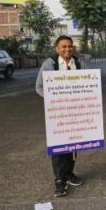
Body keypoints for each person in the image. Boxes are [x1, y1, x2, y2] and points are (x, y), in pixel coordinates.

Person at [35, 35, 85, 198]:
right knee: (58, 146)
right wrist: (54, 100)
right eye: (63, 46)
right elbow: (39, 86)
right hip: (57, 113)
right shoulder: (50, 64)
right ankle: (59, 179)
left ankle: (69, 173)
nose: (67, 49)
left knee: (73, 144)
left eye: (70, 46)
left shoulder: (79, 63)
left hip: (75, 111)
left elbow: (87, 85)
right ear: (57, 48)